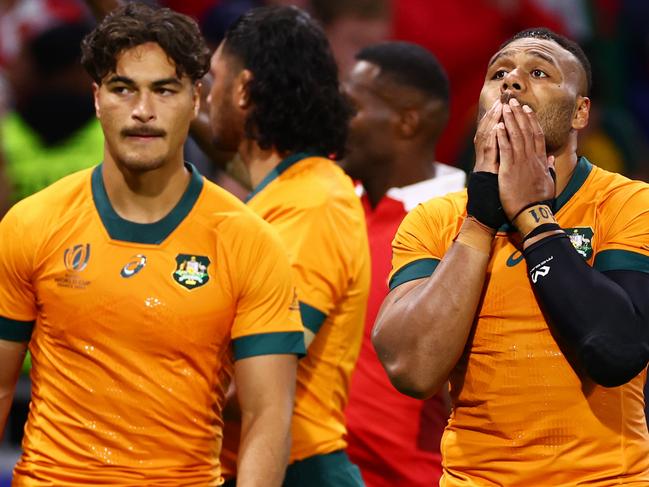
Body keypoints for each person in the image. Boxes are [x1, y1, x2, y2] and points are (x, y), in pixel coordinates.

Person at [0, 4, 304, 486]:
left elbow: (268, 415)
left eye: (165, 89)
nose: (144, 110)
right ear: (97, 98)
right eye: (124, 89)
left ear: (196, 99)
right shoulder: (31, 223)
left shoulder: (250, 242)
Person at [373, 27, 649, 485]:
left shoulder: (626, 204)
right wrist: (480, 221)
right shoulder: (435, 220)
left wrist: (532, 218)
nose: (512, 81)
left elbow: (617, 351)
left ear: (581, 112)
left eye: (538, 71)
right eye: (498, 72)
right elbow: (412, 369)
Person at [209, 6, 370, 487]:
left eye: (214, 78)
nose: (204, 96)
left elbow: (254, 378)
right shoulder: (282, 195)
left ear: (242, 90)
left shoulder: (312, 204)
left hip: (297, 471)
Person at [340, 41, 465, 487]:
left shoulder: (467, 226)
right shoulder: (326, 202)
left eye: (350, 106)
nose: (335, 121)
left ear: (407, 121)